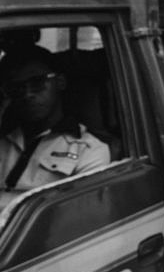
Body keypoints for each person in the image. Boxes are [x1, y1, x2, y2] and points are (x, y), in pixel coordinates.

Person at [0, 45, 110, 208]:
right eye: (17, 88)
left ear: (60, 82)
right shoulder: (5, 138)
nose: (27, 94)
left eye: (37, 82)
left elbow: (78, 216)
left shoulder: (87, 150)